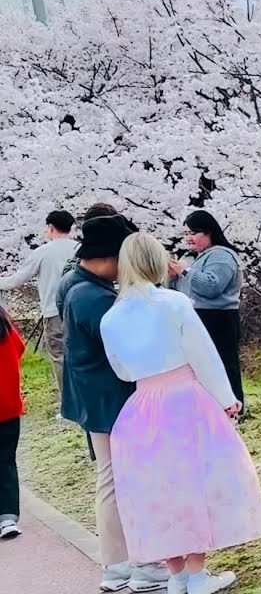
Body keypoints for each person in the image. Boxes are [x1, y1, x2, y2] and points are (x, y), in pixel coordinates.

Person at [102, 233, 261, 594]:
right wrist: (226, 398)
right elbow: (204, 355)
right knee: (195, 483)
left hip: (141, 406)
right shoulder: (174, 303)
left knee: (157, 491)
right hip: (185, 400)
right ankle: (196, 575)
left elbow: (121, 372)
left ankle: (176, 576)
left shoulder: (111, 317)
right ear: (156, 261)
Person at [57, 214, 169, 593]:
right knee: (128, 482)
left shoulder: (77, 287)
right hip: (113, 401)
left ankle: (118, 567)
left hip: (94, 400)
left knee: (111, 481)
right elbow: (132, 348)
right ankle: (144, 567)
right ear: (109, 256)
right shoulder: (95, 297)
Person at [0, 210, 79, 405]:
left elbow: (17, 280)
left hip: (53, 312)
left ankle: (68, 402)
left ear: (51, 227)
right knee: (82, 353)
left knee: (60, 357)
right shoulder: (80, 248)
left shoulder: (43, 252)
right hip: (80, 309)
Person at [168, 211, 245, 410]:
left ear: (208, 232)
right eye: (186, 233)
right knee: (201, 365)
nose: (188, 238)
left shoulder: (222, 255)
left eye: (193, 232)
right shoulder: (196, 257)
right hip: (198, 316)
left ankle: (233, 406)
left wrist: (184, 270)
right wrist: (173, 277)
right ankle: (210, 407)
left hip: (218, 318)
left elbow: (211, 287)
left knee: (223, 363)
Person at [0, 304, 25, 540]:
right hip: (8, 406)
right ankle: (7, 517)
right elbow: (19, 348)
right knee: (6, 460)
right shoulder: (4, 321)